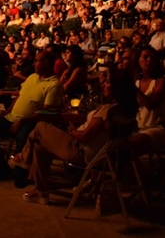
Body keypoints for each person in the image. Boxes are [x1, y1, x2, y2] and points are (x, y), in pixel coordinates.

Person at [9, 69, 138, 204]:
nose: (104, 84)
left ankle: (23, 157)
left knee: (40, 127)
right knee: (39, 147)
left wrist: (72, 133)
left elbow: (85, 137)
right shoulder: (124, 110)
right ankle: (40, 192)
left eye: (108, 82)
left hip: (82, 151)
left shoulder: (108, 111)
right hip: (100, 154)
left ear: (117, 86)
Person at [0, 50, 64, 181]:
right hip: (12, 118)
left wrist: (22, 121)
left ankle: (22, 172)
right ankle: (2, 169)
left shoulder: (54, 84)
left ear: (46, 63)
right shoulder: (32, 77)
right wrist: (7, 112)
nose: (34, 64)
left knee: (23, 135)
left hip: (32, 122)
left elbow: (47, 112)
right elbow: (20, 96)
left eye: (37, 61)